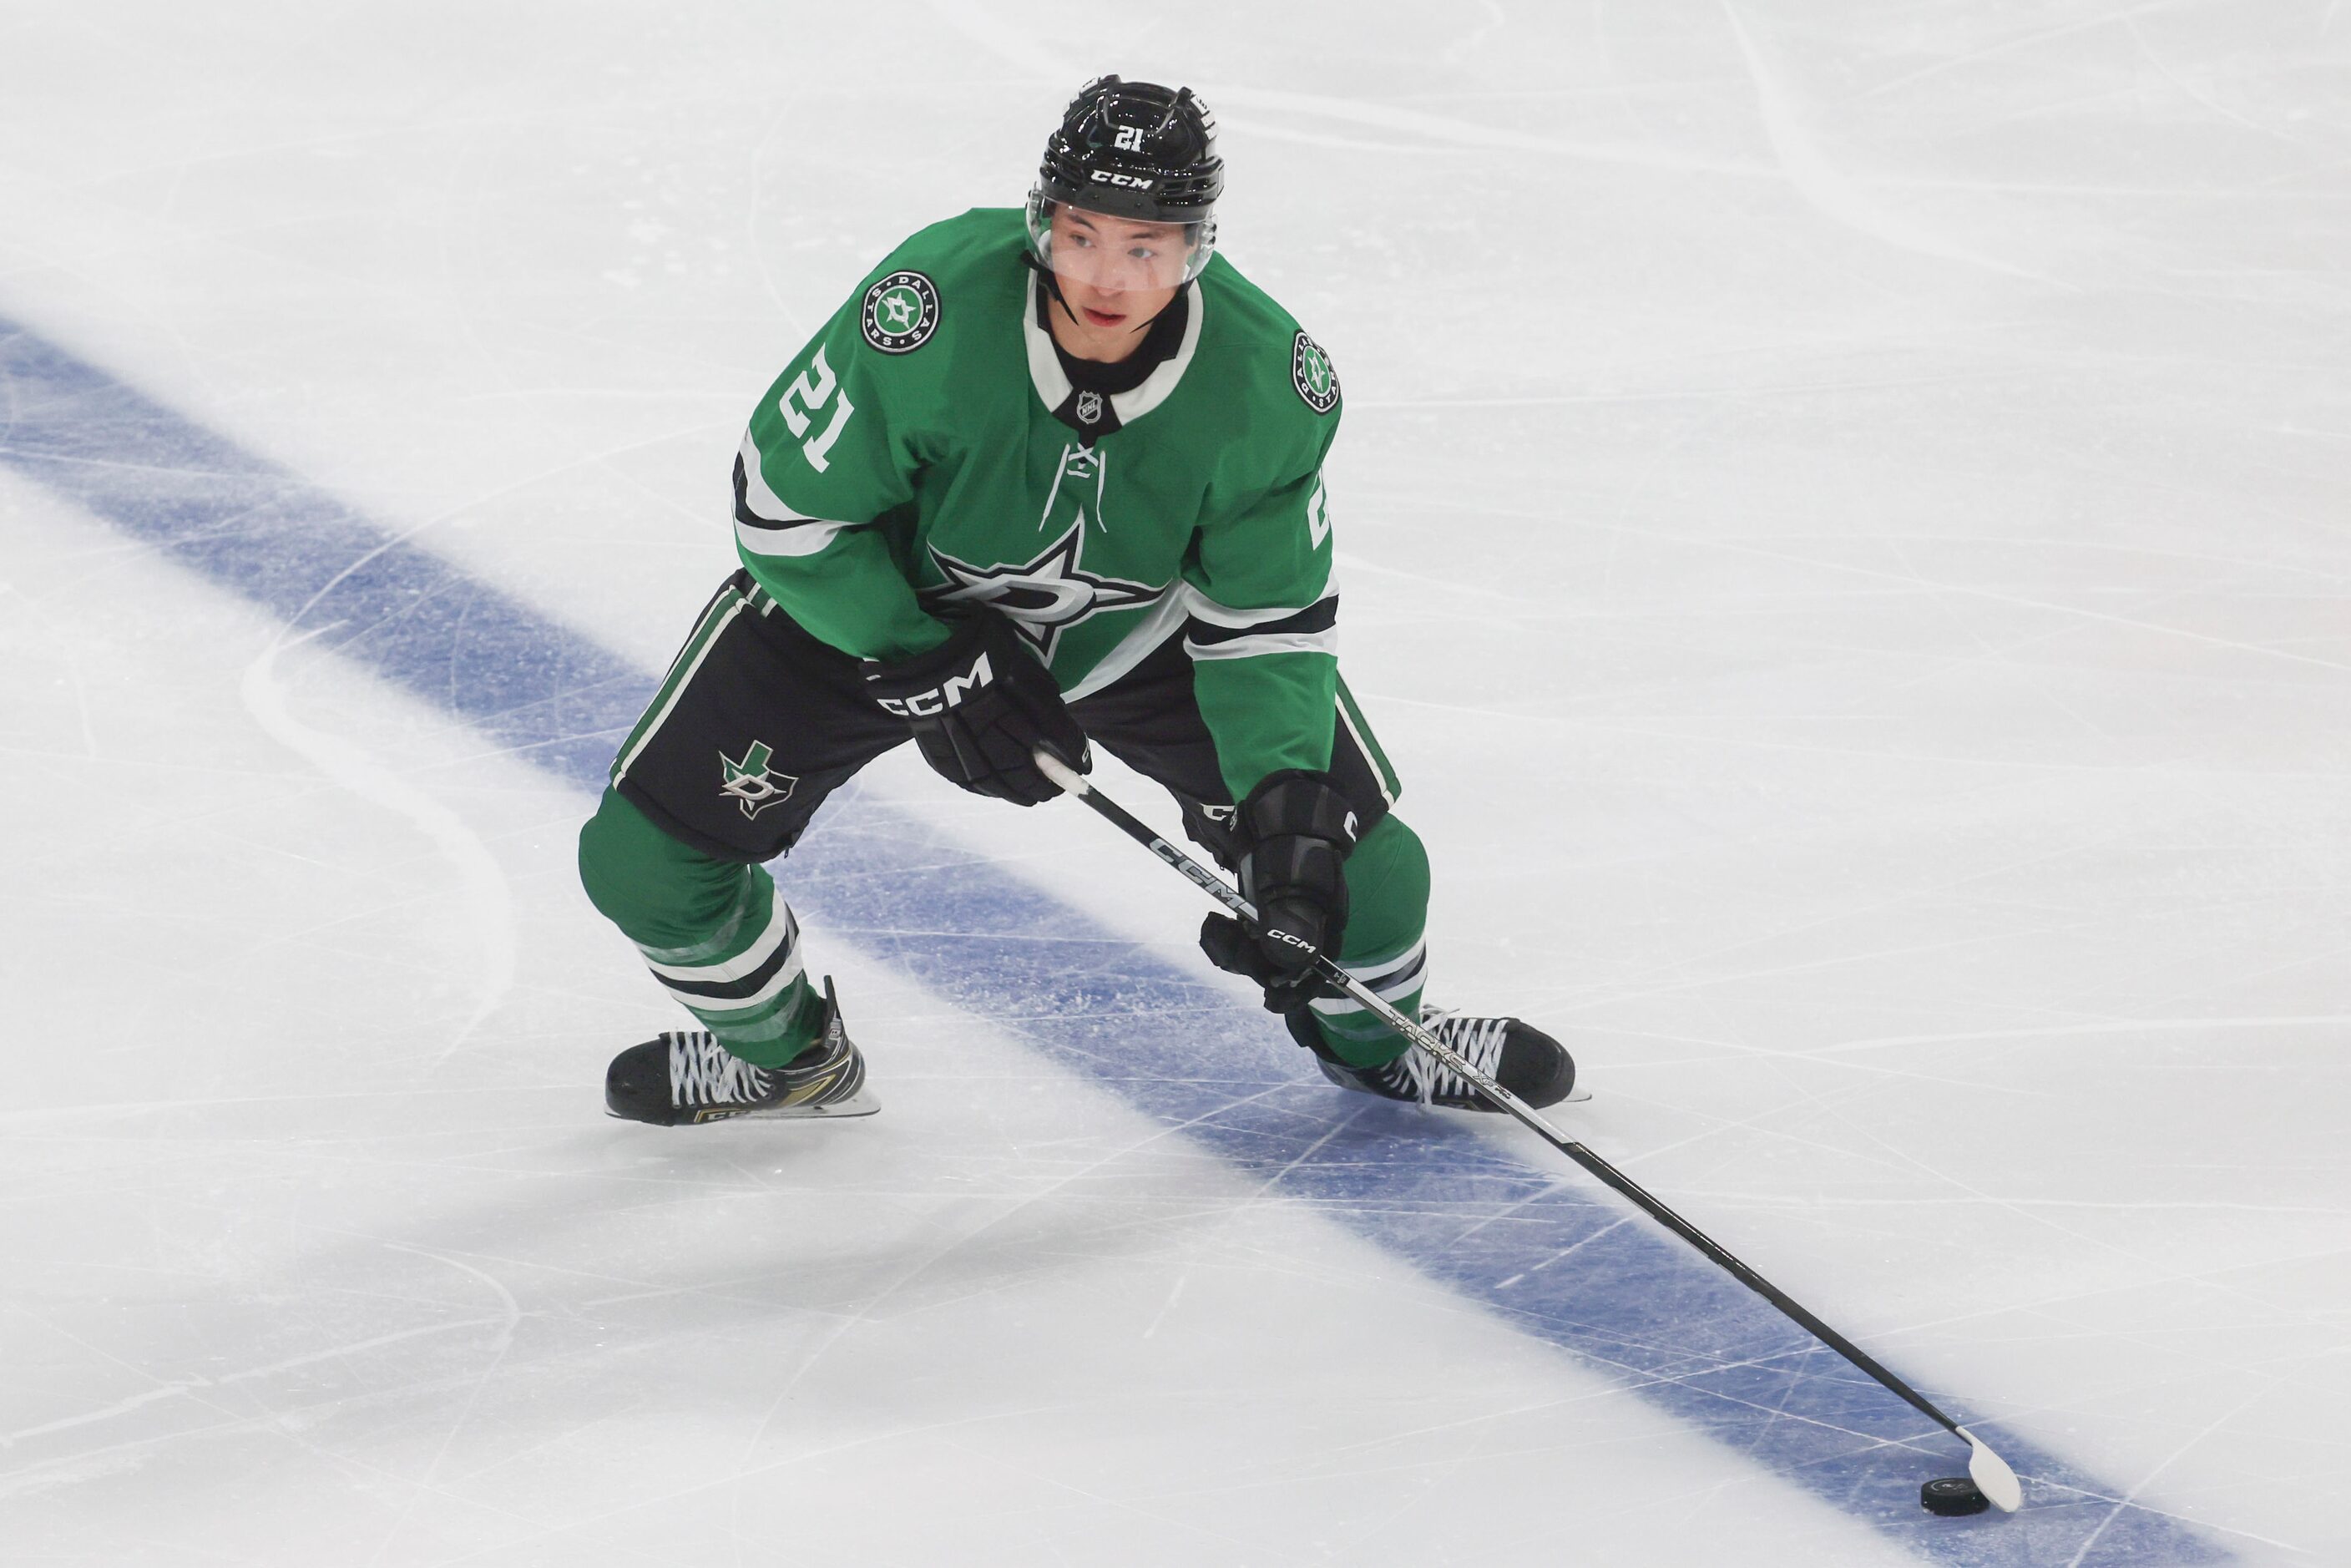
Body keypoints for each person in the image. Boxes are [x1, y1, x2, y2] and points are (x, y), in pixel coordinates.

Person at [579, 76, 1575, 1125]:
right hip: (879, 607)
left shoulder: (1267, 384)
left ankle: (1380, 1044)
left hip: (1137, 634)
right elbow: (786, 517)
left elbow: (1267, 621)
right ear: (1040, 218)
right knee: (643, 863)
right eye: (1080, 234)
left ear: (1196, 246)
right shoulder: (925, 311)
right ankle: (788, 1059)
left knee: (1359, 867)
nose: (1105, 276)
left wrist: (1285, 827)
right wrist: (925, 656)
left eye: (1144, 246)